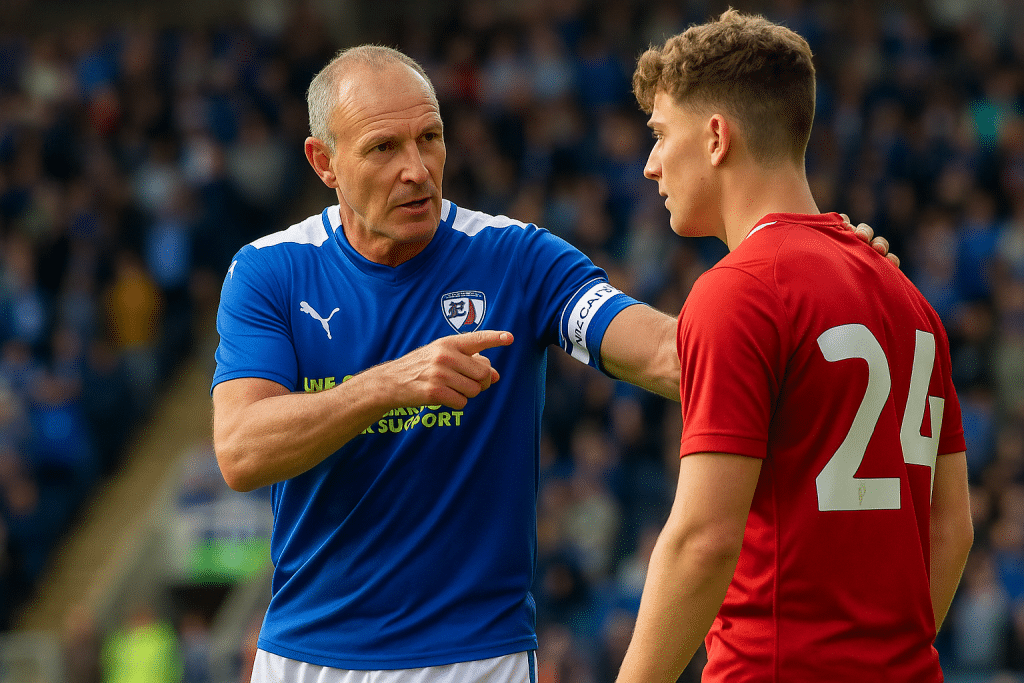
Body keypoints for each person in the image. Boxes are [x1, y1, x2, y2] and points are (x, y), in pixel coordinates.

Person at [211, 45, 894, 683]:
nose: (416, 168)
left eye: (431, 137)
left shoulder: (517, 258)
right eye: (383, 148)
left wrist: (825, 291)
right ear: (323, 161)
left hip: (479, 657)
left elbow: (669, 353)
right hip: (308, 657)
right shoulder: (270, 272)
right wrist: (390, 383)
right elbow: (242, 449)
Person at [615, 10, 974, 683]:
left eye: (662, 135)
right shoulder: (910, 298)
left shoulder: (738, 291)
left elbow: (704, 539)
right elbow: (952, 529)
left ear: (716, 137)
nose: (650, 164)